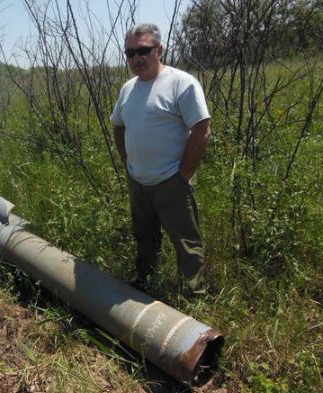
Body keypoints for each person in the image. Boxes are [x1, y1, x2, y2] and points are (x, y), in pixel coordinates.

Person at [110, 23, 211, 294]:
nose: (136, 58)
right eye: (130, 53)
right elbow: (118, 126)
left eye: (143, 50)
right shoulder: (128, 88)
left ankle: (193, 294)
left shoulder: (181, 83)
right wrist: (128, 163)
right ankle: (144, 282)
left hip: (171, 181)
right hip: (138, 180)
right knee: (145, 237)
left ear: (159, 49)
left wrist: (183, 175)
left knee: (186, 242)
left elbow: (202, 129)